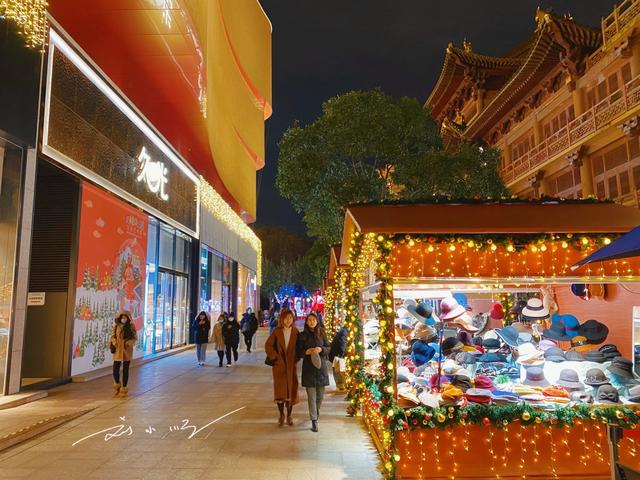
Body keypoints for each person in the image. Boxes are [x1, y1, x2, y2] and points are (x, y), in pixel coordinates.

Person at [265, 308, 299, 426]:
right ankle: (281, 415)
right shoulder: (276, 331)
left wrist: (296, 358)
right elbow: (268, 345)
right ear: (282, 319)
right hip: (279, 366)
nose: (288, 320)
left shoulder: (295, 332)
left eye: (290, 318)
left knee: (291, 390)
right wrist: (275, 357)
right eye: (286, 318)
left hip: (291, 367)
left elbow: (299, 348)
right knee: (280, 391)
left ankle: (289, 415)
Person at [297, 312, 330, 432]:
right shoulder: (302, 335)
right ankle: (314, 420)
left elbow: (328, 348)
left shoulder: (322, 332)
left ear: (317, 321)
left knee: (320, 396)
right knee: (311, 397)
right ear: (306, 322)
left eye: (313, 320)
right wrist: (306, 352)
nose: (312, 322)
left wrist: (321, 349)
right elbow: (298, 351)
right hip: (308, 369)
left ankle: (316, 413)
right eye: (309, 320)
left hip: (321, 369)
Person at [110, 311, 137, 396]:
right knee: (115, 370)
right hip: (118, 350)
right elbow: (112, 336)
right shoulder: (116, 326)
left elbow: (134, 337)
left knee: (125, 370)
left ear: (128, 318)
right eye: (122, 317)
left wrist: (128, 343)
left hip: (126, 351)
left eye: (125, 318)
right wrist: (114, 342)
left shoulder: (131, 327)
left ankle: (124, 388)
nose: (123, 319)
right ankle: (117, 385)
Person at [328, 325, 348, 391]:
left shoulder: (342, 330)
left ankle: (340, 385)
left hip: (334, 353)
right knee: (338, 370)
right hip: (337, 354)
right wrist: (343, 354)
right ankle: (341, 386)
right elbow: (343, 343)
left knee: (336, 369)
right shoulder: (345, 332)